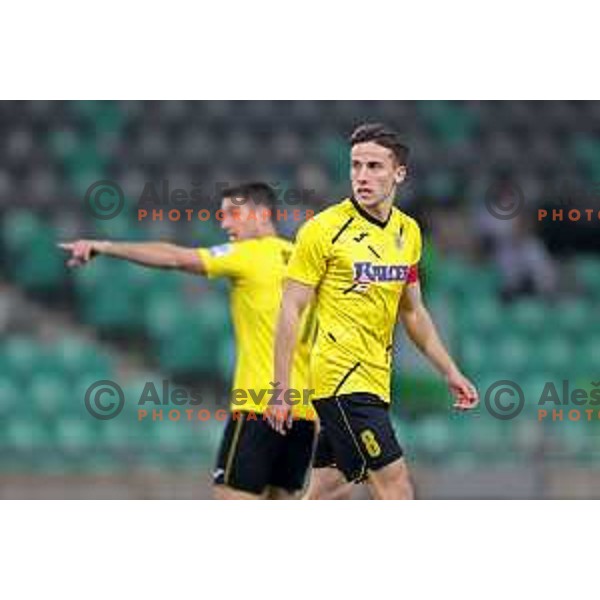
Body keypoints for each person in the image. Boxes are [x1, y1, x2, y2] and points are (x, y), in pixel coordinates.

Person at [60, 182, 320, 500]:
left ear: (262, 214)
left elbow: (175, 258)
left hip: (261, 406)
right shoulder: (305, 262)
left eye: (233, 214)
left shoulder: (251, 254)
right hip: (304, 413)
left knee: (232, 500)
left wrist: (105, 246)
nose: (224, 224)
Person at [269, 124, 479, 500]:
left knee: (328, 489)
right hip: (341, 380)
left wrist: (450, 370)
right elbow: (290, 308)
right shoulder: (323, 230)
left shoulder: (408, 232)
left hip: (376, 379)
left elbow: (413, 312)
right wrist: (280, 390)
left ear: (399, 173)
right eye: (355, 166)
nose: (362, 176)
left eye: (374, 166)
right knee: (396, 484)